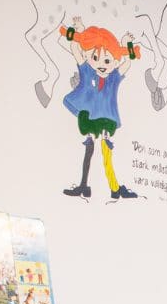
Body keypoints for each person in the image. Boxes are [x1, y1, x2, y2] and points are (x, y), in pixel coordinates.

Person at [60, 17, 141, 202]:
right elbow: (75, 49)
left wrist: (125, 44)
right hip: (89, 115)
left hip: (105, 117)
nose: (101, 64)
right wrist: (79, 30)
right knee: (89, 148)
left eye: (107, 59)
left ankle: (114, 188)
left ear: (114, 60)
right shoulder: (87, 70)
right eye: (95, 58)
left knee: (106, 151)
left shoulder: (113, 77)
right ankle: (84, 185)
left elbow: (127, 63)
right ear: (89, 56)